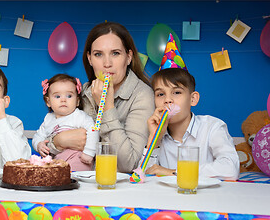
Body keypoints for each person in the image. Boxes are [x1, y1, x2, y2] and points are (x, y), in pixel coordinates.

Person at [48, 22, 155, 173]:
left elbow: (130, 164)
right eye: (98, 54)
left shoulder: (142, 95)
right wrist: (58, 141)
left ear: (129, 57)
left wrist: (107, 107)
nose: (107, 63)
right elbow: (48, 138)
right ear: (90, 59)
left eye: (115, 53)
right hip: (77, 185)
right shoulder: (80, 93)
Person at [143, 34, 239, 180]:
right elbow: (141, 175)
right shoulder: (157, 134)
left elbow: (230, 168)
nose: (168, 100)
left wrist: (173, 172)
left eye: (176, 92)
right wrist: (154, 140)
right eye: (160, 94)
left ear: (193, 99)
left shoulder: (212, 127)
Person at [32, 74, 99, 171]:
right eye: (57, 96)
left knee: (74, 175)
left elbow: (93, 130)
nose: (63, 100)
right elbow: (38, 136)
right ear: (48, 101)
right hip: (56, 160)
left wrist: (89, 152)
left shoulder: (79, 116)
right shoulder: (48, 119)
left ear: (77, 101)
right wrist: (39, 145)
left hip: (78, 157)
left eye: (69, 96)